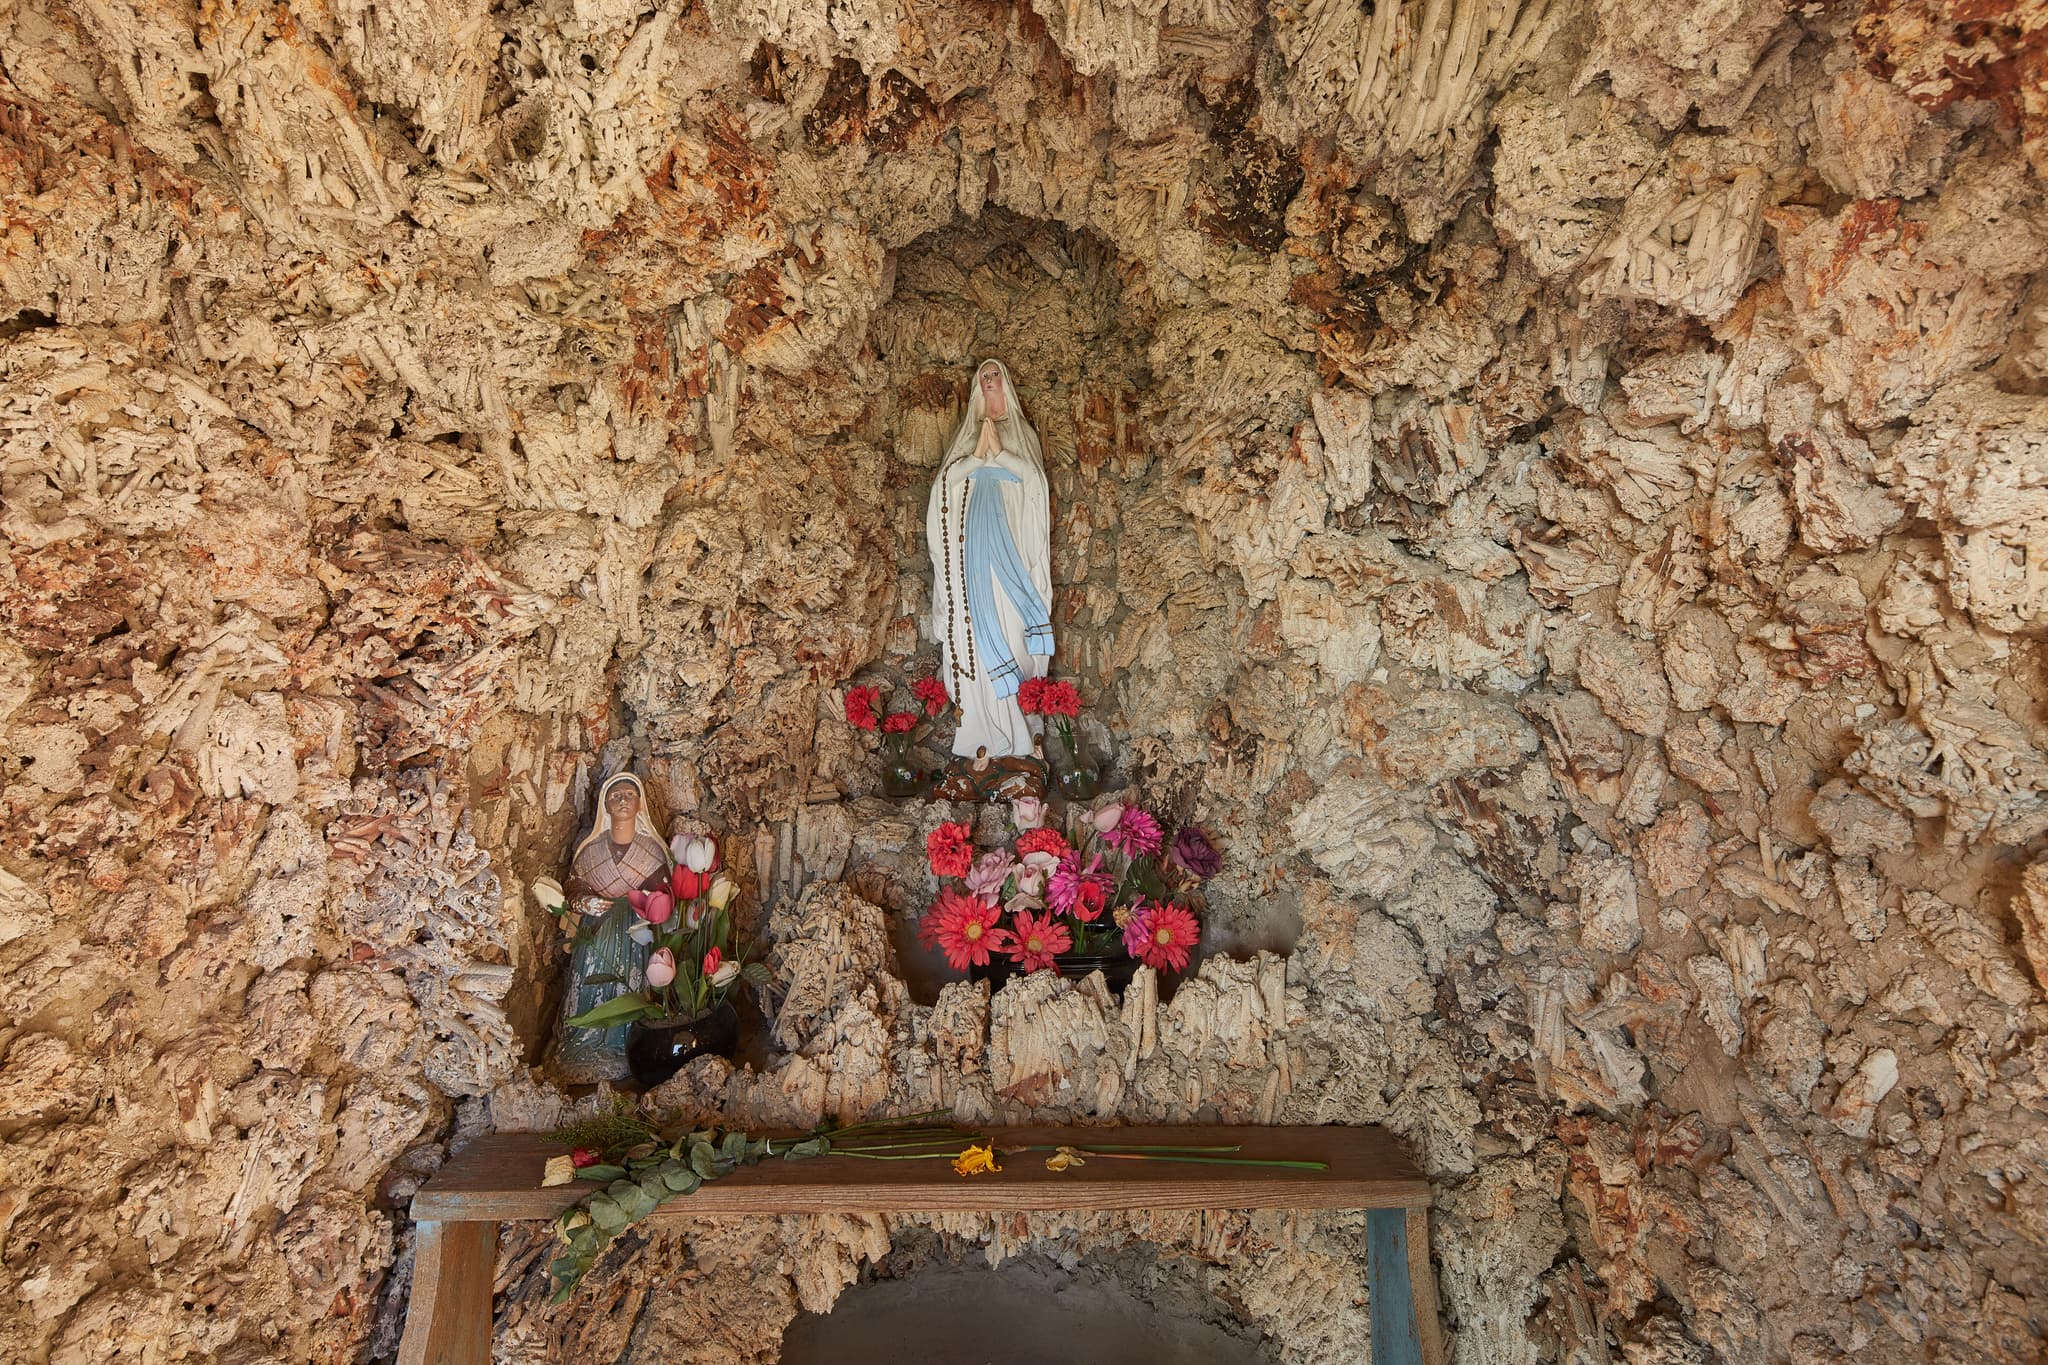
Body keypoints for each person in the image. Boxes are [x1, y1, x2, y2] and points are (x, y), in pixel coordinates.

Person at [924, 359, 1055, 761]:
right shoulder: (966, 439)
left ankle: (1020, 736)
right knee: (974, 643)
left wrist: (1000, 453)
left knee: (1013, 634)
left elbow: (1035, 486)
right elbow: (943, 492)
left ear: (1006, 385)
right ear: (976, 391)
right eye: (984, 379)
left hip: (1011, 561)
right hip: (971, 562)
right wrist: (977, 455)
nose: (990, 383)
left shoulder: (1022, 434)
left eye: (996, 377)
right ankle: (979, 735)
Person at [556, 772, 666, 1081]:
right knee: (590, 978)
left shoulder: (652, 851)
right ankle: (584, 1040)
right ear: (605, 804)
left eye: (629, 794)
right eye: (616, 795)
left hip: (635, 930)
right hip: (596, 930)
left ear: (640, 803)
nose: (622, 800)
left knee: (629, 983)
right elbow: (573, 888)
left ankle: (623, 1042)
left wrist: (644, 902)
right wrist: (584, 903)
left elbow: (666, 894)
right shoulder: (591, 851)